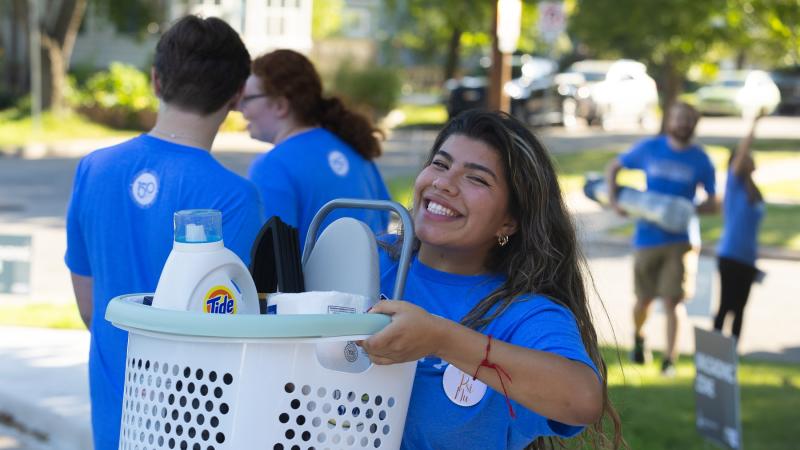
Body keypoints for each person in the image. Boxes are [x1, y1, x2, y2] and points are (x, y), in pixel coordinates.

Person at [359, 110, 622, 449]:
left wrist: (441, 339)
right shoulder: (368, 259)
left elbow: (582, 398)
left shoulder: (522, 313)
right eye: (440, 164)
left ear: (509, 223)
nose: (443, 183)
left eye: (477, 179)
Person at [64, 16, 262, 449]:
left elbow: (88, 305)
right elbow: (226, 327)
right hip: (194, 423)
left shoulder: (94, 168)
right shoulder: (236, 197)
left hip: (114, 417)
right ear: (235, 97)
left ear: (155, 80)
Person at [605, 102, 718, 376]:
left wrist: (690, 209)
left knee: (673, 301)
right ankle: (639, 337)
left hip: (682, 240)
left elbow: (714, 202)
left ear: (694, 124)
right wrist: (614, 201)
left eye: (688, 119)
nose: (682, 124)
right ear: (670, 120)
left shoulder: (701, 159)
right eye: (678, 118)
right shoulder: (649, 148)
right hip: (647, 237)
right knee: (643, 300)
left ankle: (669, 360)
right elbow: (614, 167)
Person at [241, 49, 390, 247]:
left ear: (280, 105)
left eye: (247, 99)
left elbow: (272, 263)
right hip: (377, 278)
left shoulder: (272, 167)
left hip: (319, 280)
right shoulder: (354, 147)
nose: (240, 108)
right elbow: (384, 226)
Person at [713, 113, 765, 344]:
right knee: (726, 305)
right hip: (730, 254)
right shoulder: (733, 185)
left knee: (740, 308)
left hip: (748, 259)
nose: (749, 159)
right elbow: (743, 149)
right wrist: (755, 124)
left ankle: (732, 354)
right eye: (745, 157)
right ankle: (714, 351)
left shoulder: (753, 189)